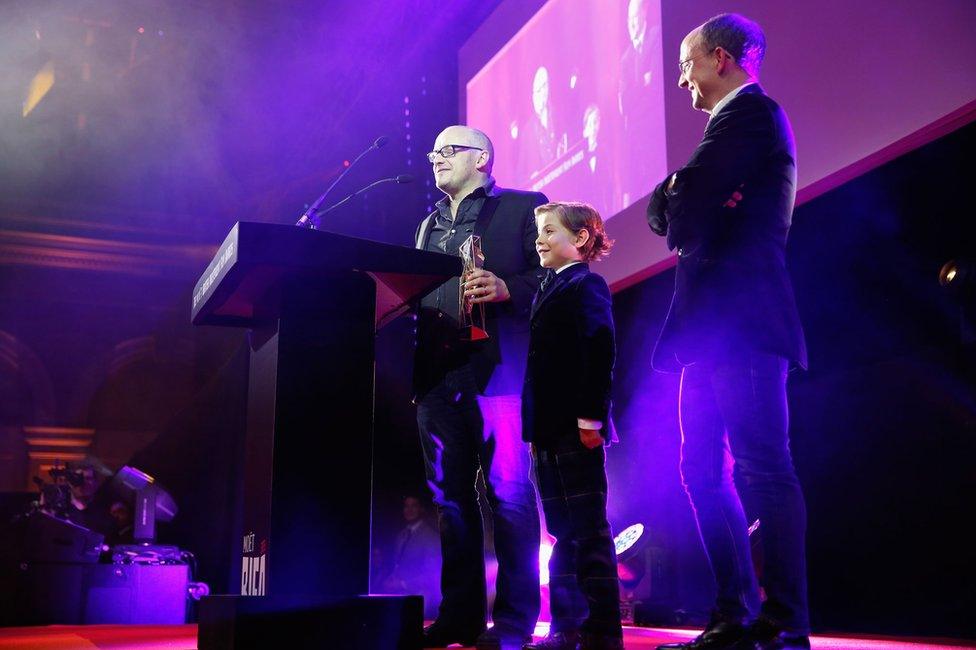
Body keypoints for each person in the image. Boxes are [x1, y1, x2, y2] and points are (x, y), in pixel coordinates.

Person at [645, 14, 809, 650]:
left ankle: (784, 622)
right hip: (708, 331)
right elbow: (677, 207)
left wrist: (686, 200)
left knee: (762, 470)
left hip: (743, 321)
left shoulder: (750, 116)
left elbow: (682, 222)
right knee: (699, 471)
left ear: (719, 58)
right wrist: (681, 193)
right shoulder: (724, 131)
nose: (682, 79)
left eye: (686, 65)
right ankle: (735, 615)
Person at [415, 125, 547, 649]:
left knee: (509, 495)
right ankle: (460, 617)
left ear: (483, 159)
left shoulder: (522, 208)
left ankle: (514, 622)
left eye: (450, 150)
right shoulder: (426, 227)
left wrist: (507, 287)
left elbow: (559, 276)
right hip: (436, 376)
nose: (437, 158)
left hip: (500, 374)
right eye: (434, 151)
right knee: (449, 500)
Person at [522, 202, 622, 650]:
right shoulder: (549, 287)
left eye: (548, 231)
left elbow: (599, 351)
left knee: (589, 530)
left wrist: (590, 418)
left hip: (574, 426)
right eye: (538, 231)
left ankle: (601, 630)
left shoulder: (587, 285)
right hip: (545, 429)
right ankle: (567, 627)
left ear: (580, 238)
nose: (538, 239)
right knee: (562, 532)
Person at [379, 494, 442, 619]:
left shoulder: (430, 536)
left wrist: (402, 584)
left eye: (414, 506)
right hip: (400, 598)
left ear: (421, 509)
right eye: (406, 506)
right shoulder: (401, 535)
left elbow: (433, 574)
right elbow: (398, 564)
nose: (409, 510)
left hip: (422, 600)